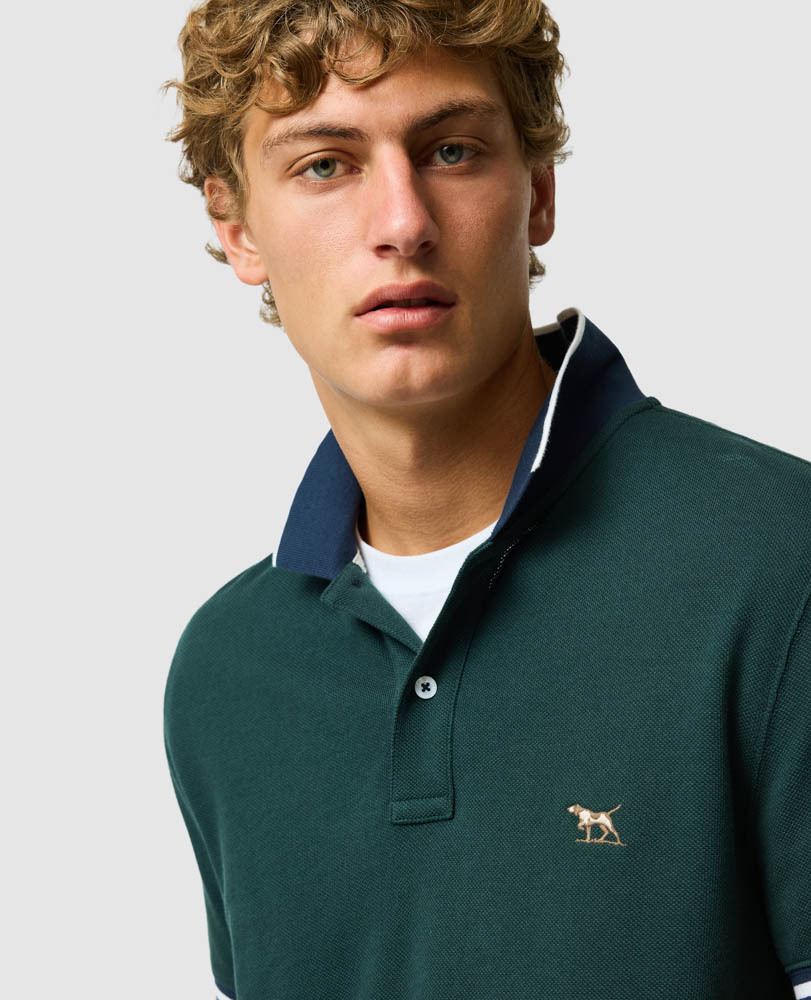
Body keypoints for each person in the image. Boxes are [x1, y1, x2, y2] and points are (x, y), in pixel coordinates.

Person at [161, 2, 811, 998]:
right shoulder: (230, 672)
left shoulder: (776, 566)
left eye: (451, 150)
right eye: (325, 165)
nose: (402, 224)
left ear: (537, 190)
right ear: (237, 226)